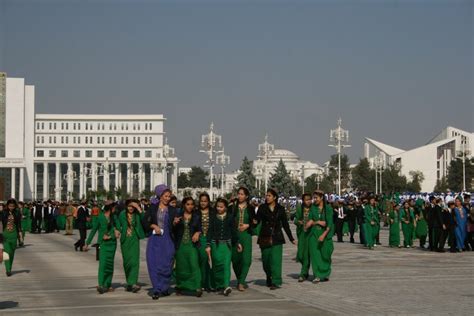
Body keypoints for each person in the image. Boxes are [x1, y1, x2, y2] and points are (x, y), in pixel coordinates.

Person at [142, 185, 178, 300]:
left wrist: (175, 223)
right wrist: (153, 225)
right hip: (155, 240)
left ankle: (165, 287)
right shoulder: (153, 208)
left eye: (169, 196)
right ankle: (157, 289)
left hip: (168, 239)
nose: (168, 198)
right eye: (166, 196)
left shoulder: (173, 210)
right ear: (160, 196)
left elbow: (176, 226)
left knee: (167, 264)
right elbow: (144, 221)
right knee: (153, 263)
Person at [256, 189, 296, 290]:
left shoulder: (280, 209)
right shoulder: (262, 208)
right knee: (266, 261)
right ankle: (269, 275)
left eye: (269, 196)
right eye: (266, 195)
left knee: (276, 261)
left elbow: (286, 225)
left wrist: (291, 238)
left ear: (274, 197)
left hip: (277, 237)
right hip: (264, 237)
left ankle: (276, 281)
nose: (267, 197)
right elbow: (256, 221)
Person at [206, 198, 241, 296]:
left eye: (221, 207)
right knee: (217, 265)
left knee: (226, 265)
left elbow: (234, 231)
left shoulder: (230, 217)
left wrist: (237, 242)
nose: (219, 208)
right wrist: (208, 245)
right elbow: (210, 231)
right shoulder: (213, 217)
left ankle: (226, 286)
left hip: (227, 245)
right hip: (215, 244)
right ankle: (217, 285)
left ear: (225, 207)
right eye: (217, 206)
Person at [84, 202, 120, 294]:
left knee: (109, 265)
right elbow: (93, 230)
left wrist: (113, 233)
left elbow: (119, 228)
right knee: (103, 264)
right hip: (103, 244)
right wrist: (87, 243)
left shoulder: (114, 217)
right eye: (114, 208)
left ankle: (107, 284)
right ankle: (101, 284)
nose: (115, 209)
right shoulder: (100, 217)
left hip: (112, 244)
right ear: (111, 208)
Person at [174, 197, 202, 297]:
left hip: (192, 245)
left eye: (192, 204)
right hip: (180, 245)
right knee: (181, 267)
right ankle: (180, 287)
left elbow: (200, 228)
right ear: (184, 205)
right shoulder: (178, 216)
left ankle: (197, 287)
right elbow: (172, 230)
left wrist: (198, 233)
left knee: (194, 264)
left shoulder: (196, 216)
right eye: (188, 204)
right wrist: (174, 223)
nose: (190, 206)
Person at [305, 190, 334, 283]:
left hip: (325, 234)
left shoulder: (328, 208)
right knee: (315, 255)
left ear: (321, 198)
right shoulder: (313, 207)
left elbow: (329, 223)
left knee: (326, 255)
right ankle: (317, 275)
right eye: (314, 198)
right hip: (314, 234)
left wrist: (323, 234)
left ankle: (325, 273)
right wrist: (310, 223)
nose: (314, 200)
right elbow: (311, 219)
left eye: (316, 198)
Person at [116, 200, 145, 293]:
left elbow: (145, 219)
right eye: (129, 206)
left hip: (134, 239)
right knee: (127, 262)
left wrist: (138, 208)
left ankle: (133, 283)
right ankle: (129, 282)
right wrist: (116, 230)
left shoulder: (137, 215)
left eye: (133, 206)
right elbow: (116, 224)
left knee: (134, 261)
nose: (131, 208)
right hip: (125, 240)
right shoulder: (122, 214)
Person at [231, 187, 255, 291]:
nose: (240, 196)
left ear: (246, 196)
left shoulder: (250, 208)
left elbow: (255, 222)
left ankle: (241, 282)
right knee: (235, 260)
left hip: (246, 236)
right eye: (239, 194)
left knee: (247, 260)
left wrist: (248, 225)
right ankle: (240, 279)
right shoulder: (233, 208)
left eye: (242, 194)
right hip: (235, 236)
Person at [197, 192, 216, 292]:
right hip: (201, 239)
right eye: (201, 201)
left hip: (212, 239)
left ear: (208, 202)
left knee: (213, 261)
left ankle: (211, 283)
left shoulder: (213, 212)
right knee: (203, 260)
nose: (203, 203)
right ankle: (203, 283)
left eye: (205, 201)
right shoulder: (196, 212)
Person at [294, 193, 313, 282]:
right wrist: (299, 222)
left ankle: (303, 273)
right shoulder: (299, 208)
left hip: (311, 234)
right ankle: (305, 270)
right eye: (306, 199)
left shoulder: (313, 208)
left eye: (310, 199)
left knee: (307, 254)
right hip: (302, 234)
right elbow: (295, 220)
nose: (308, 201)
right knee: (301, 255)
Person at [1, 199, 22, 276]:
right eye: (10, 206)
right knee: (7, 252)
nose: (11, 207)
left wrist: (20, 236)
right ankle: (8, 270)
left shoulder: (17, 213)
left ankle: (10, 267)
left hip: (14, 235)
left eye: (13, 206)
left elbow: (19, 225)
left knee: (12, 253)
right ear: (7, 205)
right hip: (5, 234)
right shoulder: (3, 212)